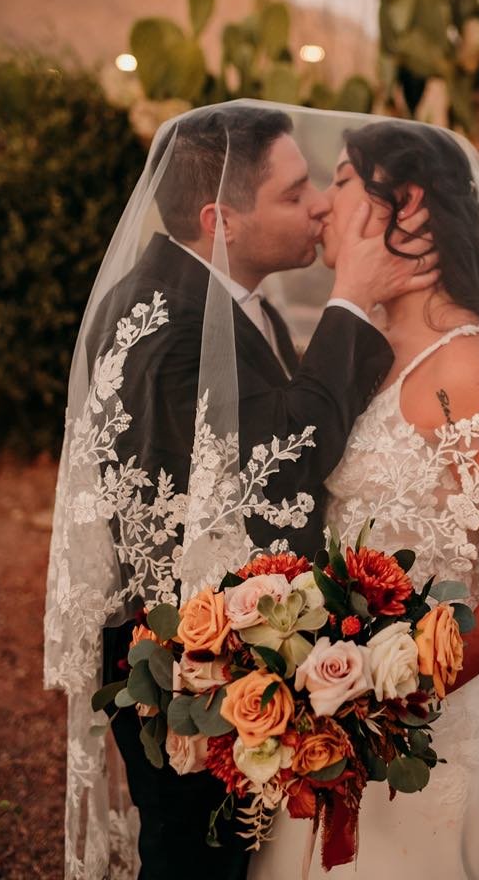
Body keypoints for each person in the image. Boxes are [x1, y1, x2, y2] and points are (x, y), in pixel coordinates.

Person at [43, 104, 438, 880]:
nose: (321, 203)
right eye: (294, 195)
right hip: (176, 662)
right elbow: (283, 462)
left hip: (221, 635)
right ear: (221, 219)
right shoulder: (168, 325)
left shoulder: (223, 297)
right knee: (194, 857)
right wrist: (351, 301)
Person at [249, 117, 479, 880]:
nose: (321, 203)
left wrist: (394, 700)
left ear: (405, 203)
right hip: (328, 700)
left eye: (342, 180)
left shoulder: (472, 367)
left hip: (424, 720)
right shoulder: (366, 343)